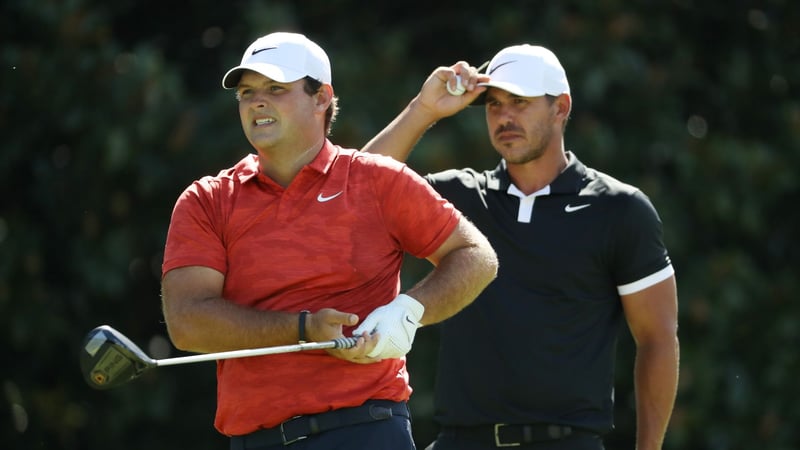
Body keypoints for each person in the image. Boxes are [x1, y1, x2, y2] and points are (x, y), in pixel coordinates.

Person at [160, 32, 498, 450]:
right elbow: (187, 321)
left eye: (275, 89)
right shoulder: (207, 201)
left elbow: (476, 255)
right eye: (247, 93)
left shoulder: (376, 179)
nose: (257, 102)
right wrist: (303, 328)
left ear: (322, 98)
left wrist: (408, 312)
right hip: (256, 440)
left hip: (366, 428)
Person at [363, 44, 679, 450]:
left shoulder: (619, 210)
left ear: (561, 107)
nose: (504, 116)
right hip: (460, 441)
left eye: (520, 102)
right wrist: (424, 109)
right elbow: (358, 191)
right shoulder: (459, 196)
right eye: (493, 104)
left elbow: (657, 339)